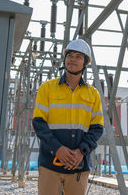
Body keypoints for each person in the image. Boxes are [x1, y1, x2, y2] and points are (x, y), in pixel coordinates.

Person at [32, 39, 104, 195]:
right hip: (50, 164)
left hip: (79, 165)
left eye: (78, 56)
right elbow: (39, 123)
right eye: (70, 55)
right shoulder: (47, 88)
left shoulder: (93, 94)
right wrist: (58, 149)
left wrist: (80, 152)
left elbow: (97, 128)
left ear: (85, 63)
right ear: (64, 59)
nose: (72, 59)